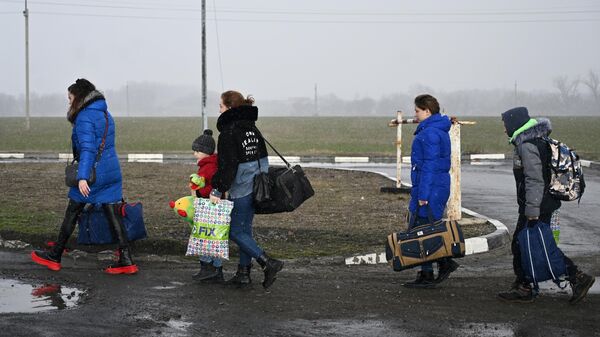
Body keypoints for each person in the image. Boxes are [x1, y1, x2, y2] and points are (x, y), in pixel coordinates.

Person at [31, 78, 138, 274]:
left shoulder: (84, 118)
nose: (69, 102)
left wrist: (82, 177)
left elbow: (88, 149)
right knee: (114, 216)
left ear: (79, 98)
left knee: (73, 210)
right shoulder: (106, 114)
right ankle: (126, 259)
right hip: (111, 172)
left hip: (93, 175)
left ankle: (55, 255)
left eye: (70, 98)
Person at [498, 107, 595, 304]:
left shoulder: (527, 146)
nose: (504, 128)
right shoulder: (534, 141)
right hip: (541, 203)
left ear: (514, 123)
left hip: (536, 205)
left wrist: (532, 211)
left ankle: (576, 277)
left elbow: (534, 180)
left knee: (533, 246)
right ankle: (525, 284)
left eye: (505, 124)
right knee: (527, 244)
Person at [209, 90, 284, 289]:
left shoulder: (228, 132)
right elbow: (263, 160)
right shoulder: (252, 128)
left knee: (234, 231)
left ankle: (267, 263)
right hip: (258, 188)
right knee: (245, 231)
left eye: (221, 106)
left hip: (241, 189)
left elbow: (228, 166)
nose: (218, 109)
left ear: (230, 108)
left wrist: (217, 189)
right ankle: (243, 273)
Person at [403, 94, 459, 288]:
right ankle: (426, 272)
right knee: (423, 230)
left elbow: (429, 166)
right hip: (434, 185)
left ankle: (443, 264)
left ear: (427, 111)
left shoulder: (430, 134)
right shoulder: (435, 130)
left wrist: (423, 195)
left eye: (417, 110)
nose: (415, 114)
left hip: (431, 187)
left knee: (425, 231)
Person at [188, 129, 223, 283]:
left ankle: (207, 268)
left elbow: (211, 185)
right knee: (215, 238)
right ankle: (217, 269)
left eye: (197, 151)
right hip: (215, 205)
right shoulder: (211, 164)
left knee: (204, 237)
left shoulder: (208, 167)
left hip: (209, 205)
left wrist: (198, 190)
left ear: (206, 152)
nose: (195, 154)